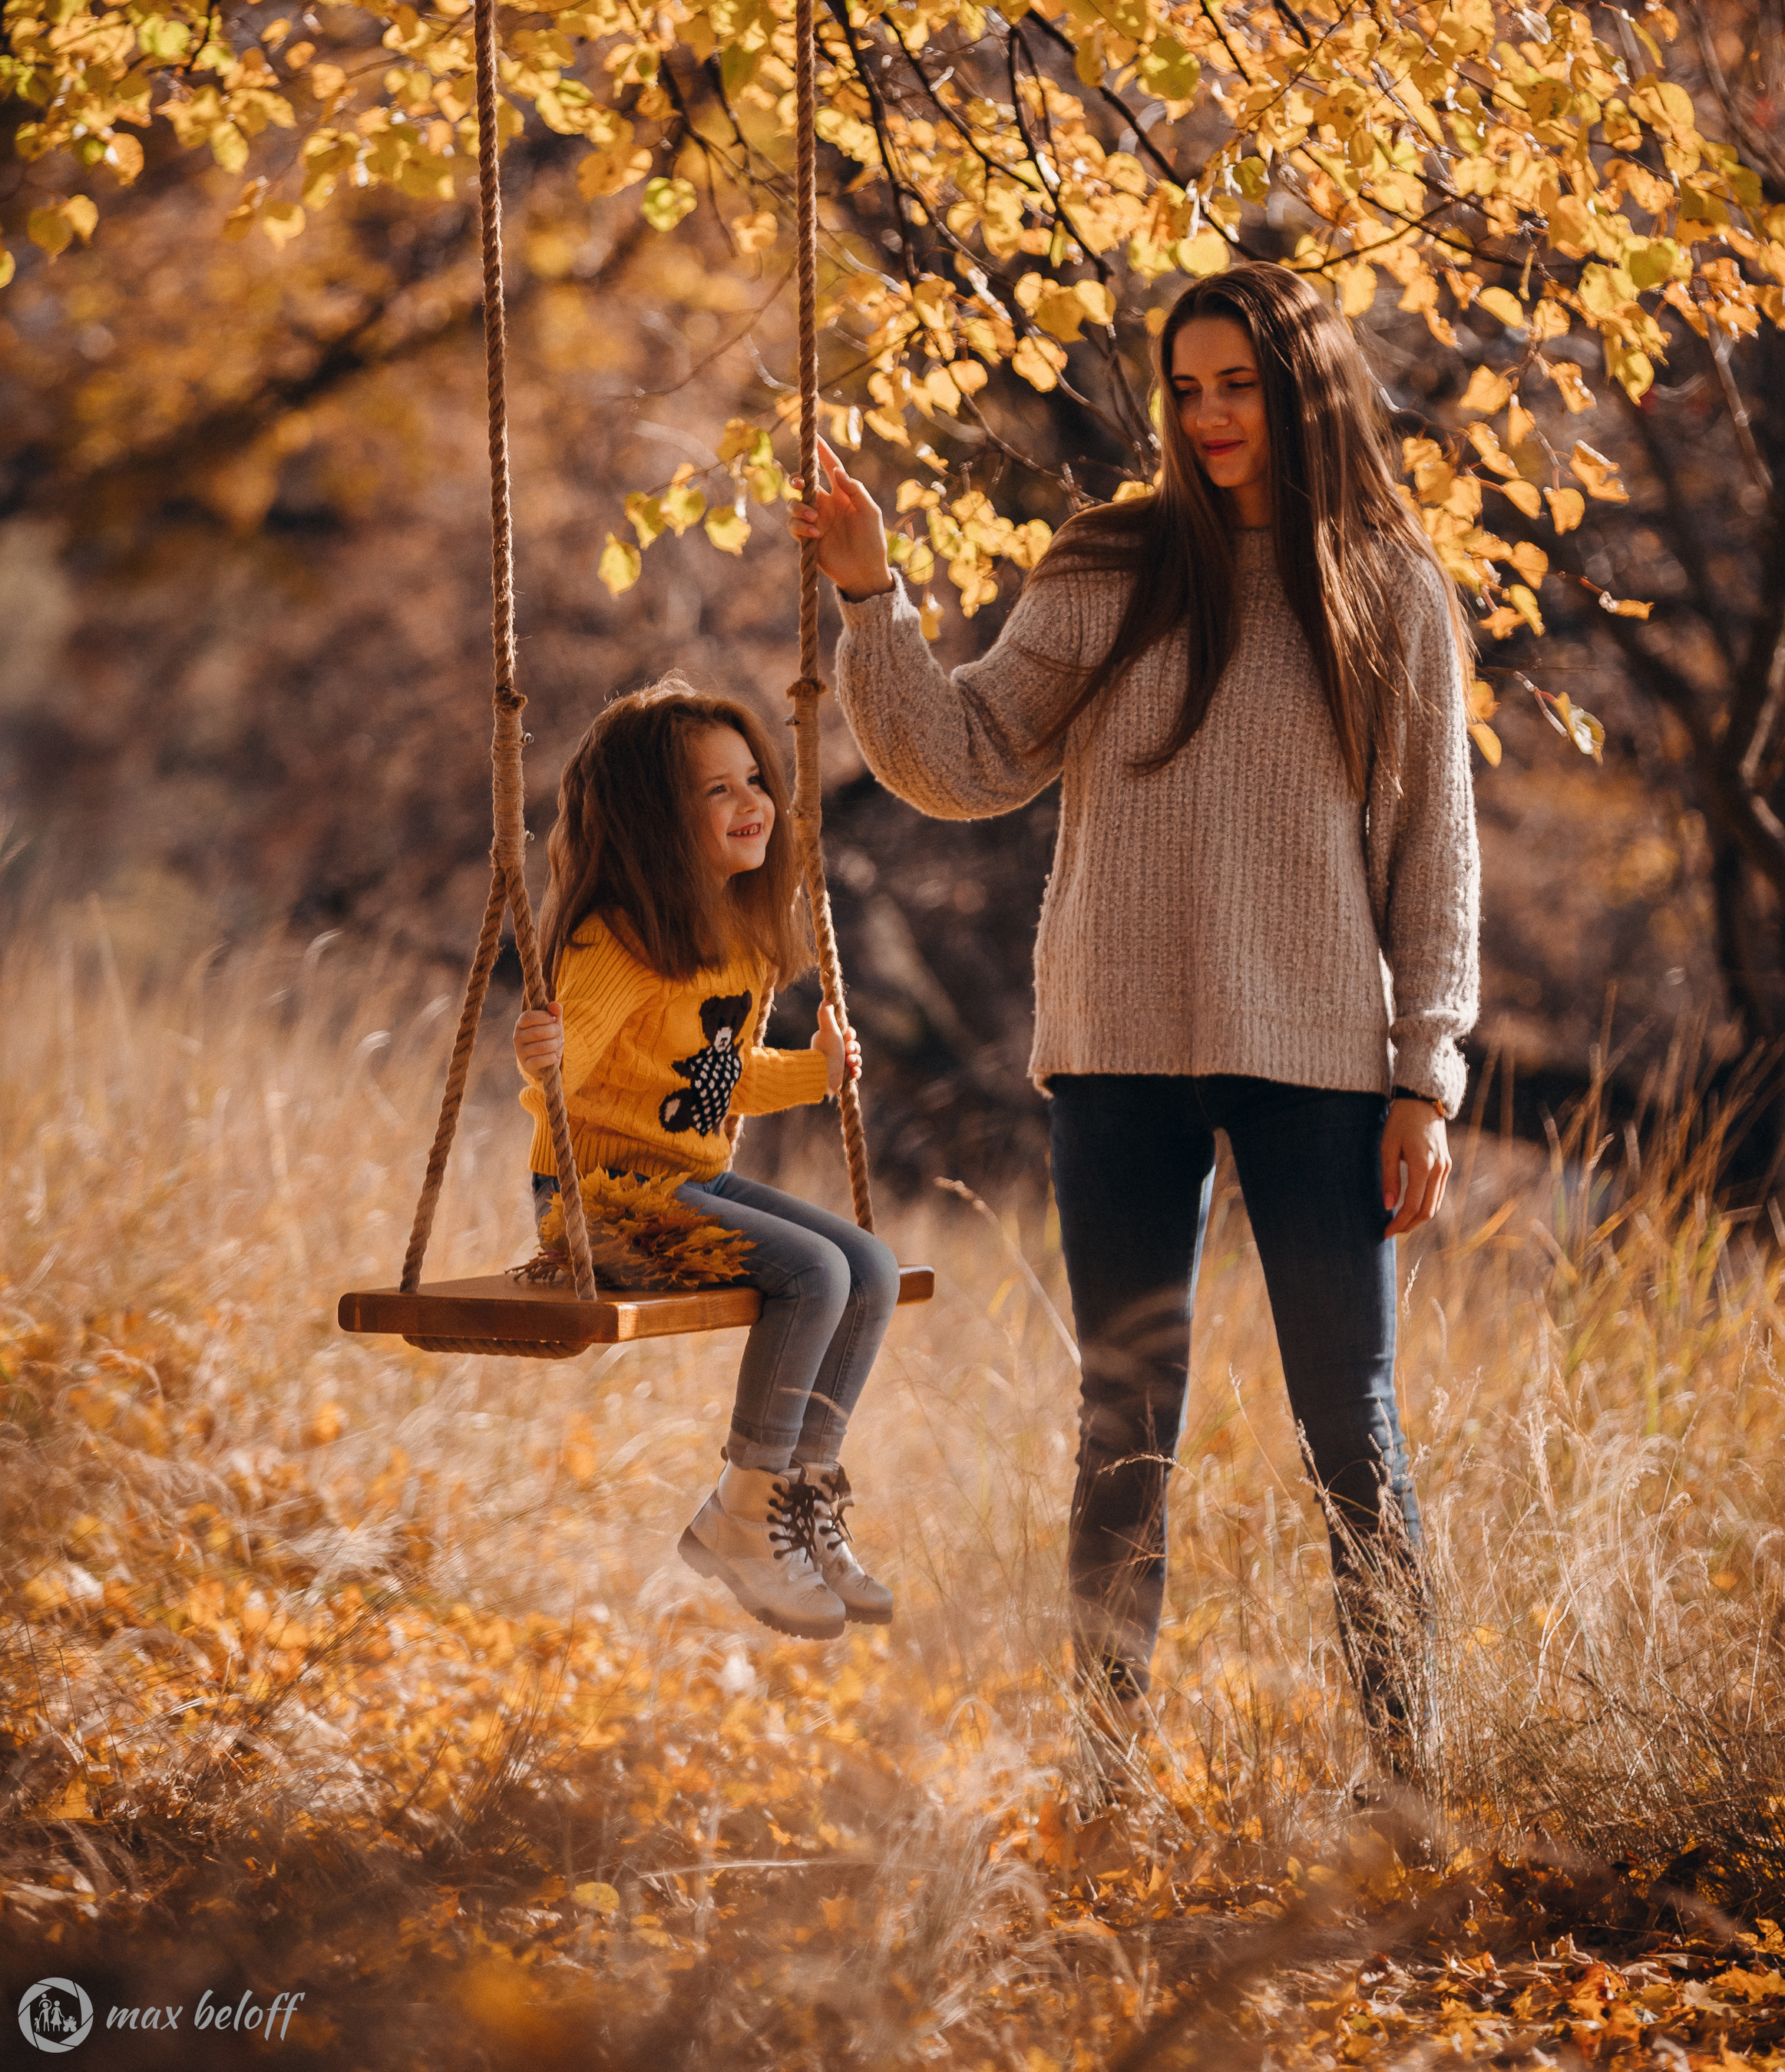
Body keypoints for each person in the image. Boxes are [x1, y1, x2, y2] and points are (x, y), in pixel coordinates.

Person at [791, 261, 1479, 1770]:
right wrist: (869, 595)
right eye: (1188, 388)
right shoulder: (1110, 562)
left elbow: (1431, 851)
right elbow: (964, 759)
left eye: (1240, 386)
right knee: (1123, 1424)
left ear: (1303, 392)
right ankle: (1104, 1768)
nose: (1210, 415)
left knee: (1348, 1425)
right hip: (1116, 1053)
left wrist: (1423, 1080)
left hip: (1318, 1063)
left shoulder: (1390, 589)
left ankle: (1406, 1775)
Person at [513, 680, 901, 1642]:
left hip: (685, 1180)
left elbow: (711, 1080)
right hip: (599, 1197)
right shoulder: (616, 939)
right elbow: (564, 1073)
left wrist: (813, 1073)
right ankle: (744, 1504)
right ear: (654, 818)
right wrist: (543, 1056)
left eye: (753, 779)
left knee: (870, 1267)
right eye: (716, 790)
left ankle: (796, 1498)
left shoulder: (733, 941)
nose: (750, 802)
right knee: (813, 1274)